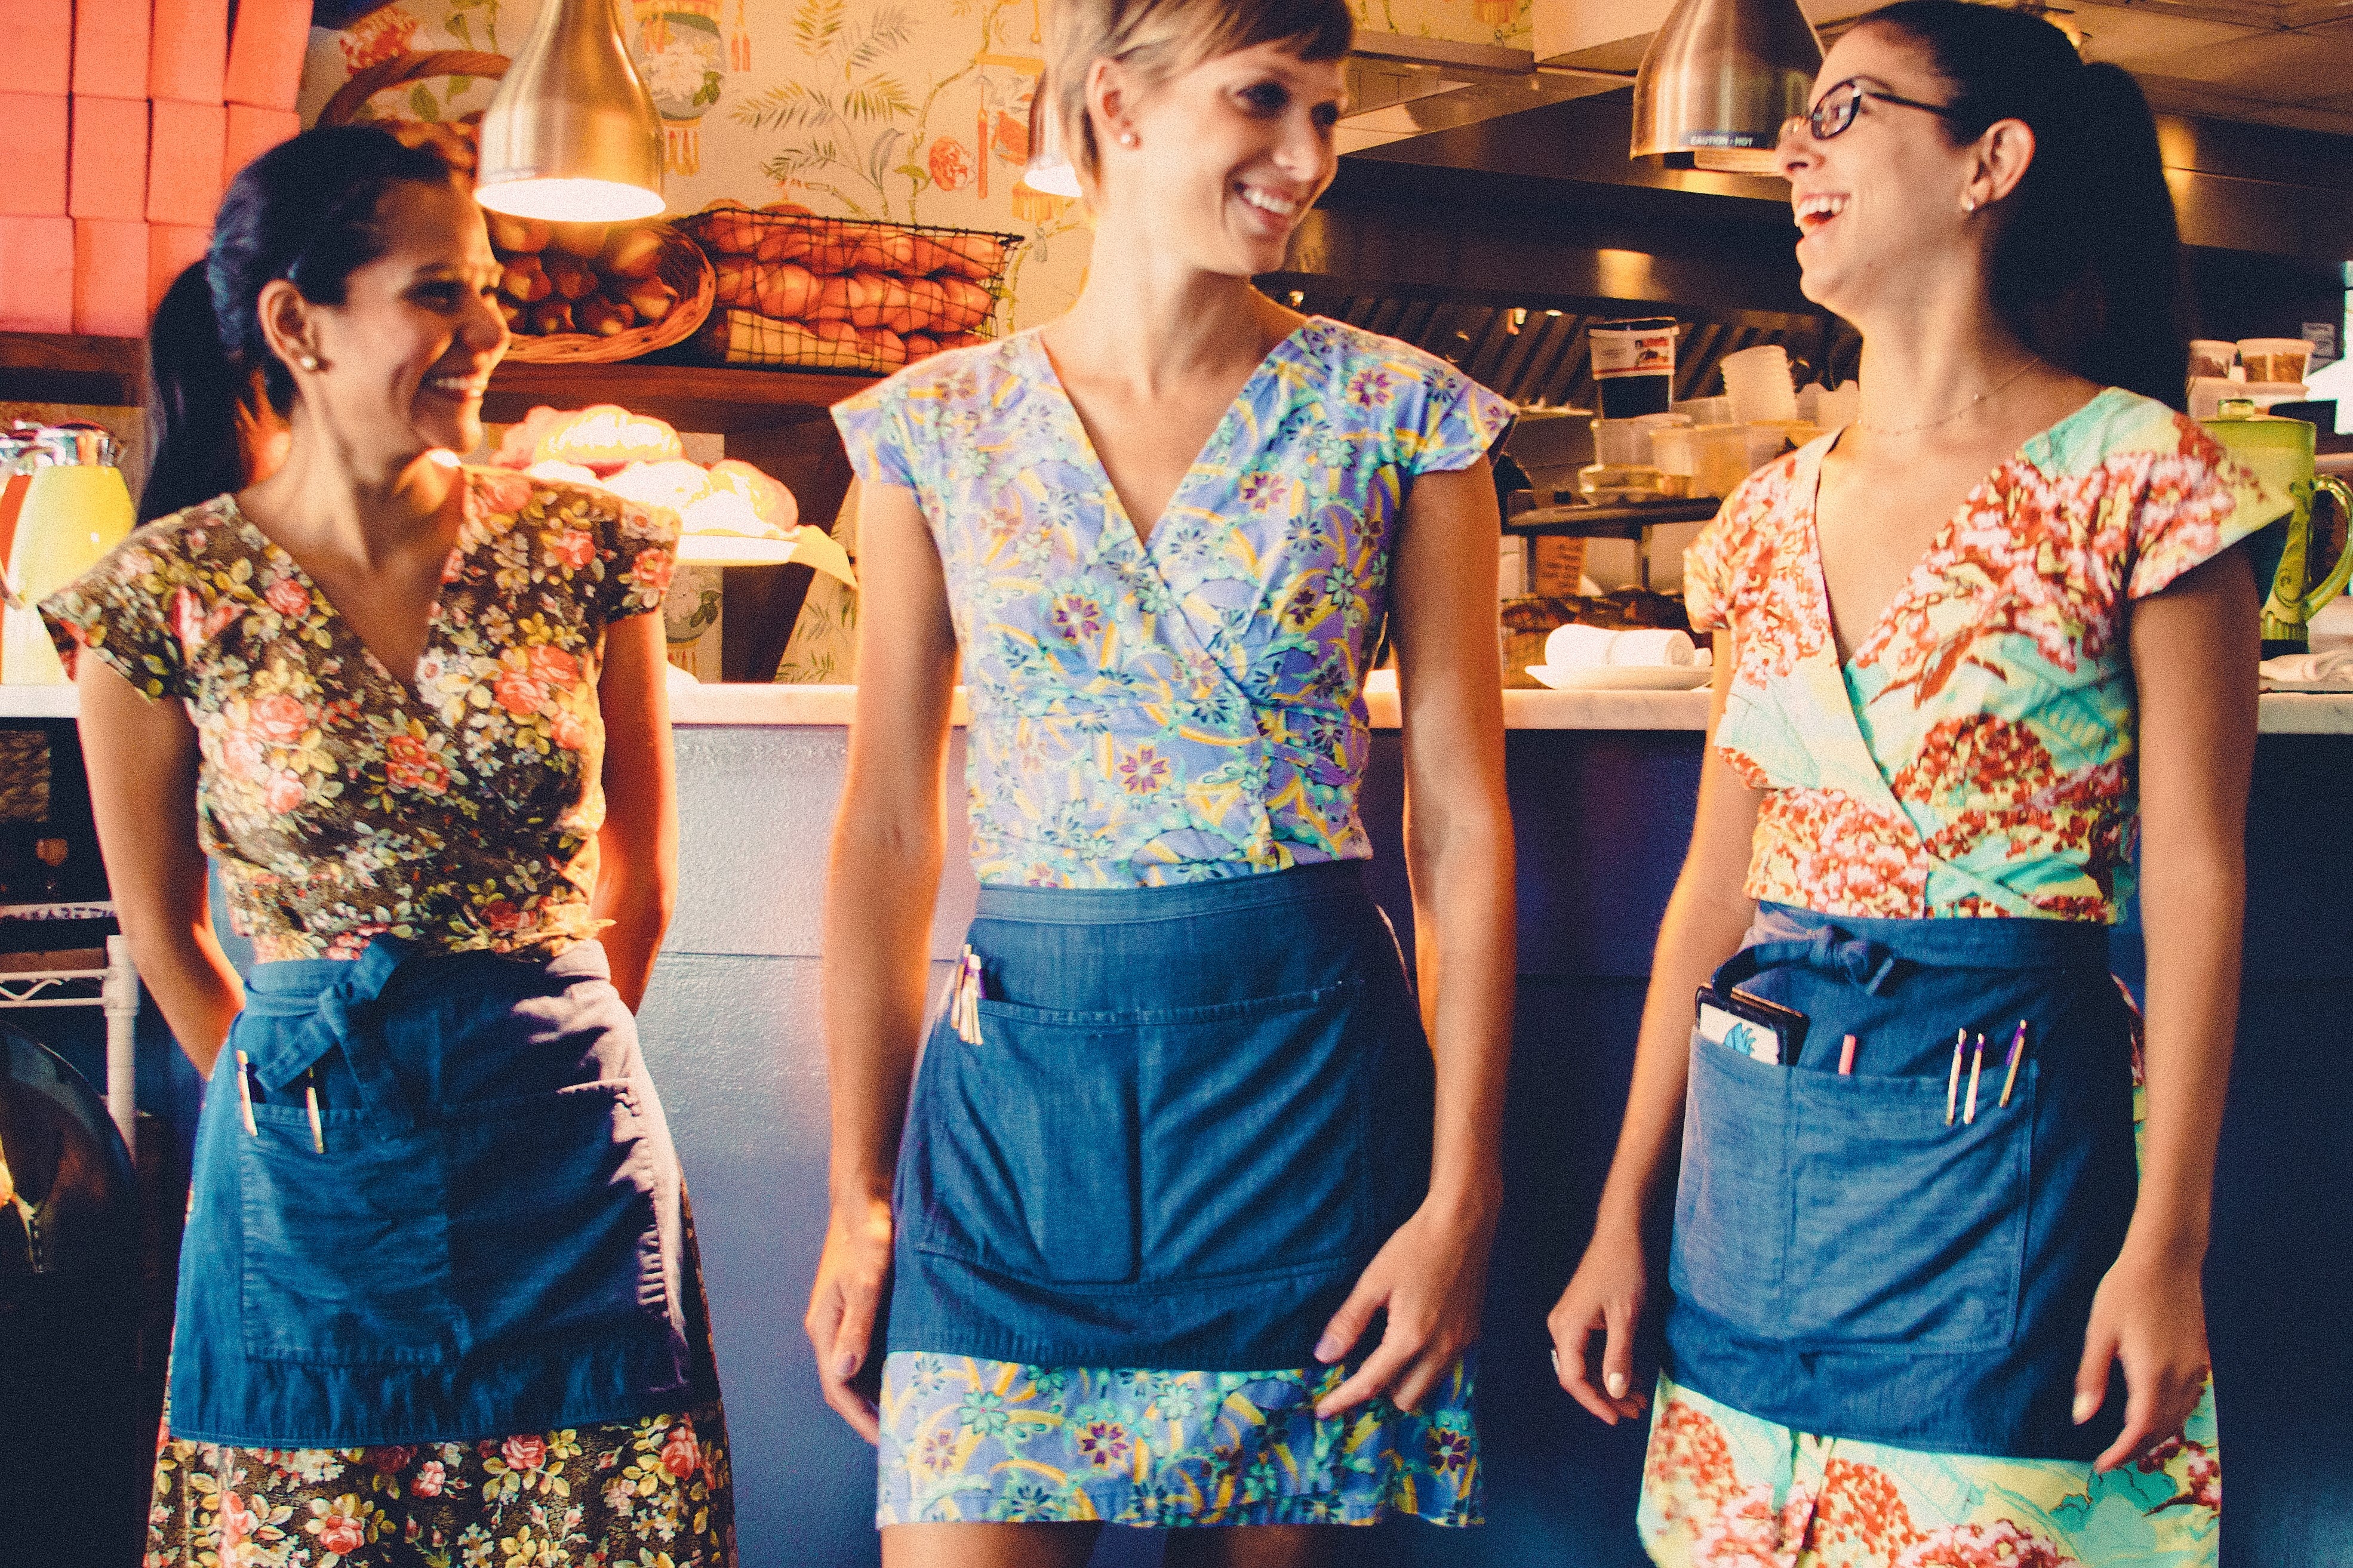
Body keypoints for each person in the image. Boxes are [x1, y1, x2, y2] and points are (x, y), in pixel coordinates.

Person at [1546, 5, 2279, 1563]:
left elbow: (2197, 883)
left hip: (2010, 1167)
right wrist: (1621, 1214)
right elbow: (1711, 895)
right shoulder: (1756, 523)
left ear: (1987, 163)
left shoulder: (2144, 477)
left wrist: (2168, 1244)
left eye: (1844, 110)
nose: (1791, 151)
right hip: (1750, 1189)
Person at [802, 0, 1517, 1560]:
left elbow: (1459, 825)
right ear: (1117, 107)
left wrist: (1462, 1198)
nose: (1305, 157)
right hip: (1013, 1123)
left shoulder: (1406, 420)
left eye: (1326, 113)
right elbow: (890, 828)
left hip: (1303, 1108)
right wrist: (860, 1190)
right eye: (1262, 100)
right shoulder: (931, 431)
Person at [44, 126, 735, 1566]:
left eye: (488, 289)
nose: (488, 329)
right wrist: (294, 1104)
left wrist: (545, 1052)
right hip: (311, 1162)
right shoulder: (161, 597)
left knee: (602, 1529)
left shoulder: (586, 552)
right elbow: (163, 932)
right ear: (299, 324)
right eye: (438, 292)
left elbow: (644, 880)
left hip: (563, 1143)